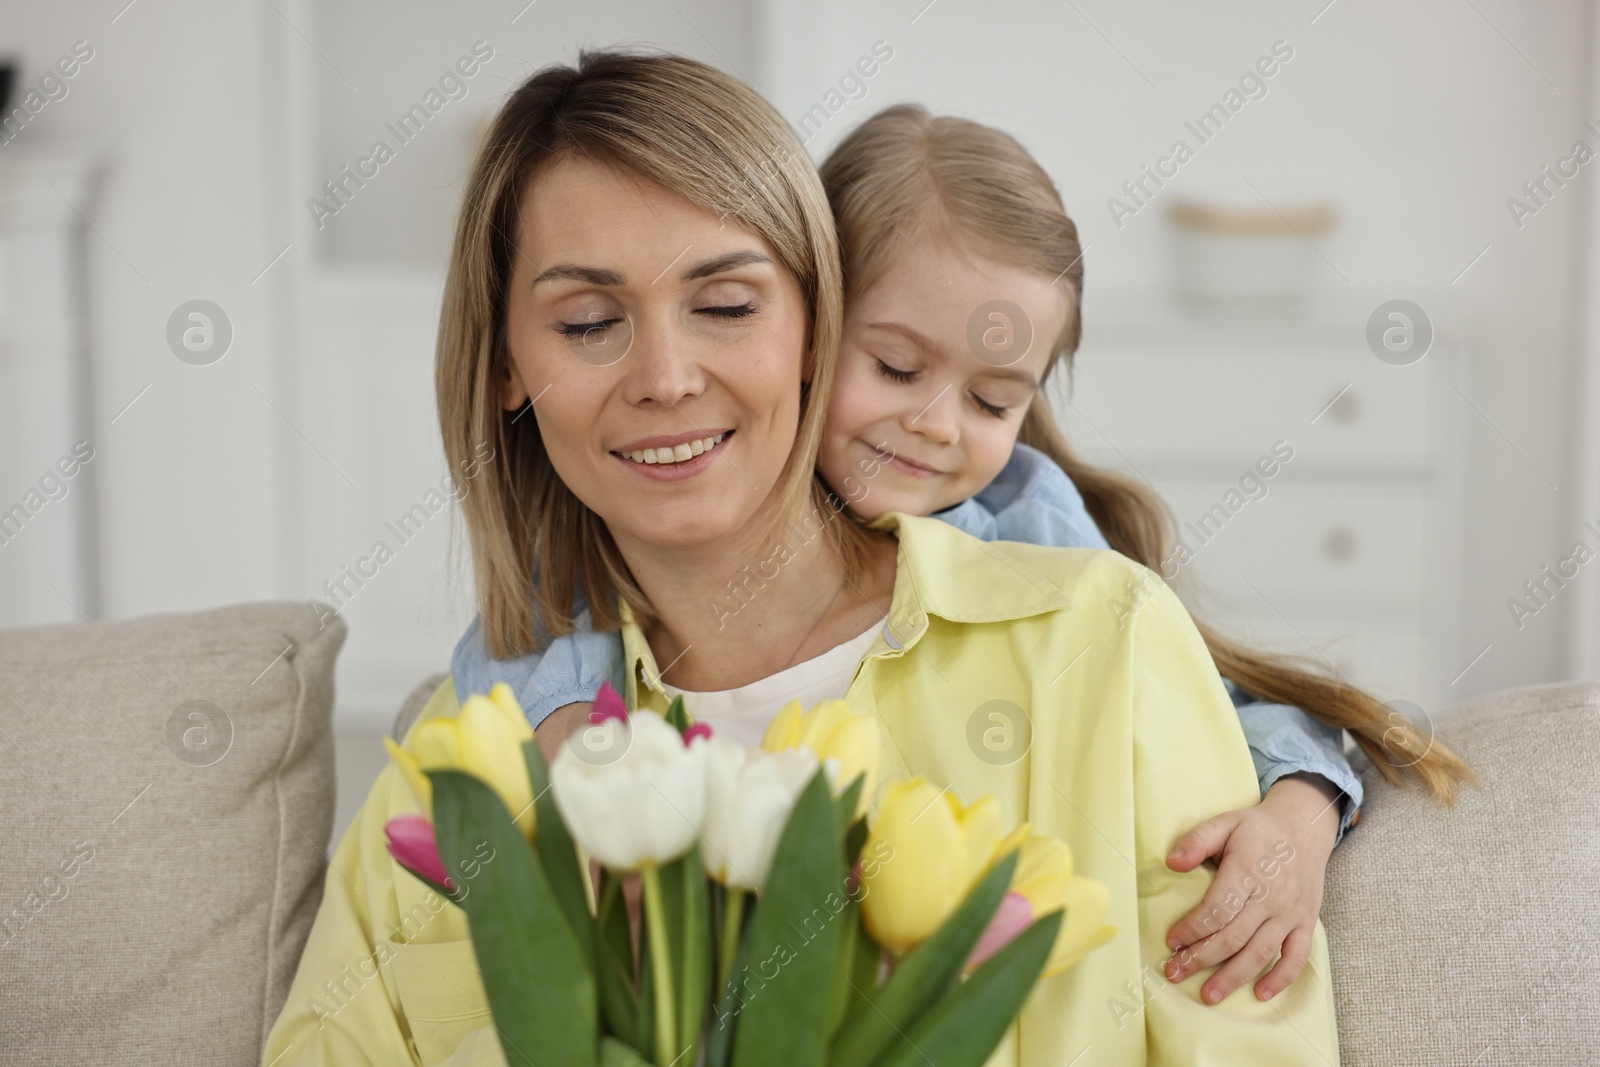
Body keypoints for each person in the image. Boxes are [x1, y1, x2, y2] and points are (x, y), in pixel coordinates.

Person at [266, 49, 1347, 1065]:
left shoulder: (1098, 633)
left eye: (727, 305)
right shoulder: (463, 767)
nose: (667, 375)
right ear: (507, 363)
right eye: (589, 321)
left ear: (814, 323)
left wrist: (1303, 792)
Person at [453, 103, 1475, 1007]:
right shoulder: (645, 533)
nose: (935, 426)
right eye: (894, 365)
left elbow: (1215, 696)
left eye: (993, 399)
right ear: (806, 325)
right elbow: (516, 638)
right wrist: (565, 732)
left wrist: (1295, 811)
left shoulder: (1027, 531)